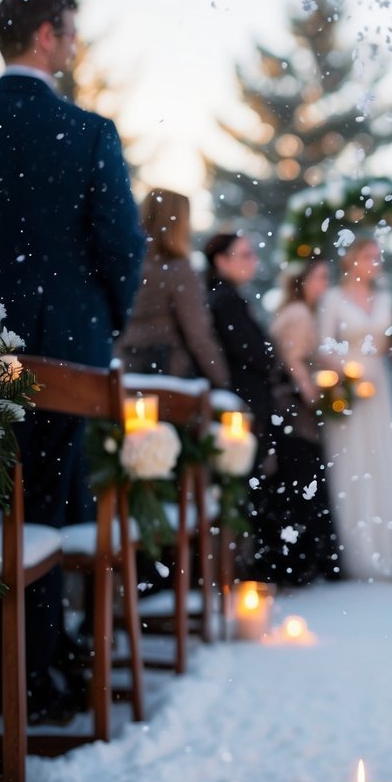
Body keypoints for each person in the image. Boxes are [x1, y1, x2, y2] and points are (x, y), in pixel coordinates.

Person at [0, 0, 144, 723]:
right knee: (43, 504)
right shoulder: (86, 133)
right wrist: (102, 322)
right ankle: (34, 677)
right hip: (58, 353)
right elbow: (121, 247)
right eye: (72, 33)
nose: (76, 44)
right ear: (48, 37)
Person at [318, 236, 392, 582]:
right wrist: (347, 371)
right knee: (351, 465)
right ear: (351, 260)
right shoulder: (333, 298)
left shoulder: (389, 299)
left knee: (382, 464)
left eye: (378, 256)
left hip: (381, 389)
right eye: (368, 256)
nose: (375, 262)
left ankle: (389, 552)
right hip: (349, 390)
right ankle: (356, 554)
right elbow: (324, 345)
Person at [205, 232, 287, 579]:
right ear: (221, 261)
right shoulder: (225, 300)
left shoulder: (229, 297)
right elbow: (255, 352)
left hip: (248, 401)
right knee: (245, 486)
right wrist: (273, 359)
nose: (252, 260)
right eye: (244, 254)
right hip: (243, 404)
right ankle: (244, 570)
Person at [270, 256, 340, 584]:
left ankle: (304, 559)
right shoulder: (299, 314)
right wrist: (312, 391)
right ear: (304, 281)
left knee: (300, 484)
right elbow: (293, 358)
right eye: (320, 277)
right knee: (302, 483)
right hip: (294, 410)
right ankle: (301, 562)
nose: (324, 284)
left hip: (293, 409)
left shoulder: (299, 312)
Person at [118, 189, 229, 386]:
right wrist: (223, 380)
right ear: (179, 223)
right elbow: (198, 334)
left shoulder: (129, 264)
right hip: (167, 377)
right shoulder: (178, 269)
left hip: (126, 370)